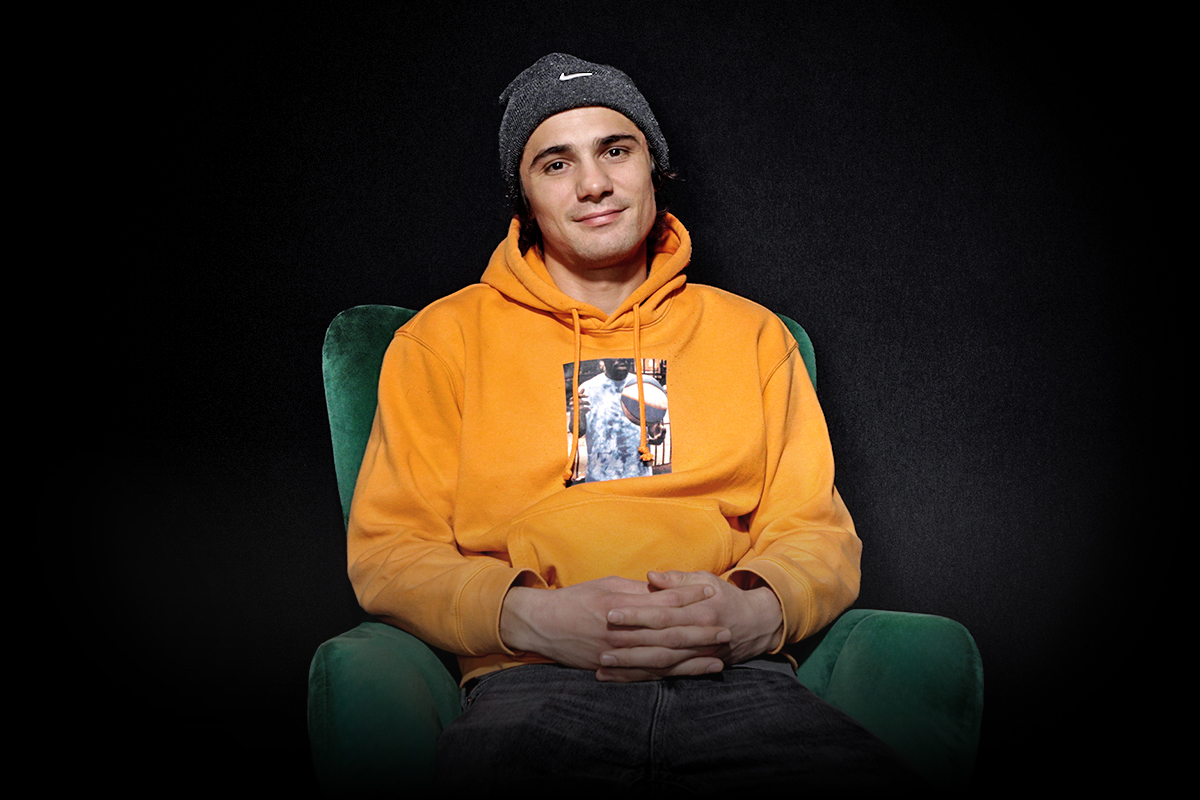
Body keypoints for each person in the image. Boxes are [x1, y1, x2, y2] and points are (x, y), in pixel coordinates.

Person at [347, 53, 918, 791]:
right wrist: (532, 619)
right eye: (556, 164)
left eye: (615, 150)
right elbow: (391, 550)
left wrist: (752, 615)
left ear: (655, 168)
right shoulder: (440, 341)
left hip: (736, 679)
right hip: (530, 683)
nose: (593, 183)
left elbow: (816, 530)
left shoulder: (752, 335)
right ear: (524, 198)